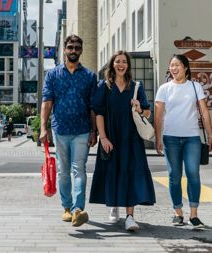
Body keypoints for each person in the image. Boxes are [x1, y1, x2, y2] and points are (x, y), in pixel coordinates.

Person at [89, 51, 156, 231]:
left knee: (130, 174)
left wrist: (140, 108)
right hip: (110, 136)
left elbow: (148, 113)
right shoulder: (104, 86)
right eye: (117, 61)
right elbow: (99, 113)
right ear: (112, 65)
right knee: (113, 171)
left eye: (124, 62)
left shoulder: (136, 87)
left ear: (128, 65)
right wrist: (103, 137)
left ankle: (129, 216)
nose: (121, 64)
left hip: (131, 139)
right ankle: (113, 205)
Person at [40, 34, 98, 227]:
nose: (73, 51)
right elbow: (47, 102)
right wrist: (43, 128)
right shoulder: (53, 75)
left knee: (79, 170)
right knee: (63, 172)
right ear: (64, 50)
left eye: (77, 48)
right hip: (60, 130)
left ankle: (78, 209)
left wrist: (94, 131)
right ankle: (66, 207)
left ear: (81, 51)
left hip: (82, 129)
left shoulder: (90, 76)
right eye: (70, 47)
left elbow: (93, 106)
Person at [154, 54, 212, 229]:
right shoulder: (164, 88)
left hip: (192, 138)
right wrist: (158, 138)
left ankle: (194, 215)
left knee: (193, 174)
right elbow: (158, 116)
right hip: (170, 138)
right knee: (174, 176)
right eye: (171, 65)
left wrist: (210, 135)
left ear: (186, 68)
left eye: (177, 65)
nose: (174, 68)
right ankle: (178, 212)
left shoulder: (195, 87)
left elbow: (204, 112)